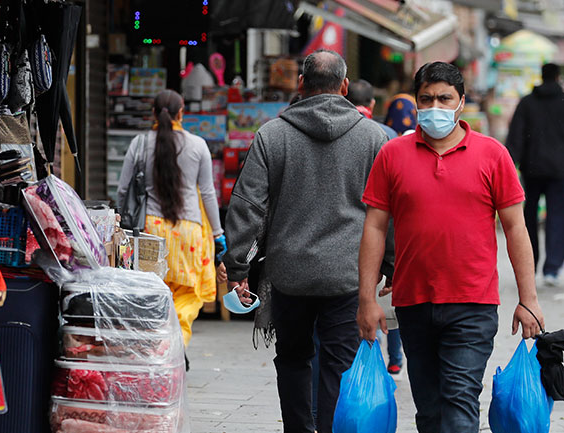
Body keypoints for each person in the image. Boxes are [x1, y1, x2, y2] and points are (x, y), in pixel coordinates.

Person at [357, 61, 545, 433]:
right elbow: (375, 228)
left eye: (445, 98)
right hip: (413, 303)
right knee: (428, 410)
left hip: (472, 303)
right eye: (426, 99)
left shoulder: (493, 155)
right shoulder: (392, 155)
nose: (435, 107)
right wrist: (366, 299)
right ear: (415, 103)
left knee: (459, 402)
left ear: (461, 102)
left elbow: (516, 228)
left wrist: (529, 300)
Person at [223, 49, 391, 433]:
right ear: (345, 87)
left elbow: (248, 206)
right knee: (339, 363)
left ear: (301, 84)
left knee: (294, 358)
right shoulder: (373, 138)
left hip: (289, 274)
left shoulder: (272, 134)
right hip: (348, 275)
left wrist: (237, 266)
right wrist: (391, 264)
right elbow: (388, 209)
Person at [117, 89, 225, 351]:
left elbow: (123, 190)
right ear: (182, 113)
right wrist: (218, 233)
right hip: (188, 232)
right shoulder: (198, 145)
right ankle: (173, 343)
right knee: (187, 294)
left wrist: (120, 221)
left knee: (152, 293)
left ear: (153, 113)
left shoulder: (139, 144)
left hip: (150, 231)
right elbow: (208, 193)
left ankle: (154, 342)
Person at [345, 79, 405, 375]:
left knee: (360, 300)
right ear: (372, 105)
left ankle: (366, 349)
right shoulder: (390, 136)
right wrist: (392, 263)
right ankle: (394, 356)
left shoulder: (341, 133)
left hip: (347, 239)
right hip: (380, 236)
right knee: (386, 298)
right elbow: (391, 206)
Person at [506, 63, 564, 286]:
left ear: (541, 77)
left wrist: (511, 164)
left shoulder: (527, 102)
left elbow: (516, 136)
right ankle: (552, 268)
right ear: (558, 77)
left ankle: (531, 262)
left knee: (528, 216)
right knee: (557, 215)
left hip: (532, 169)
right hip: (560, 171)